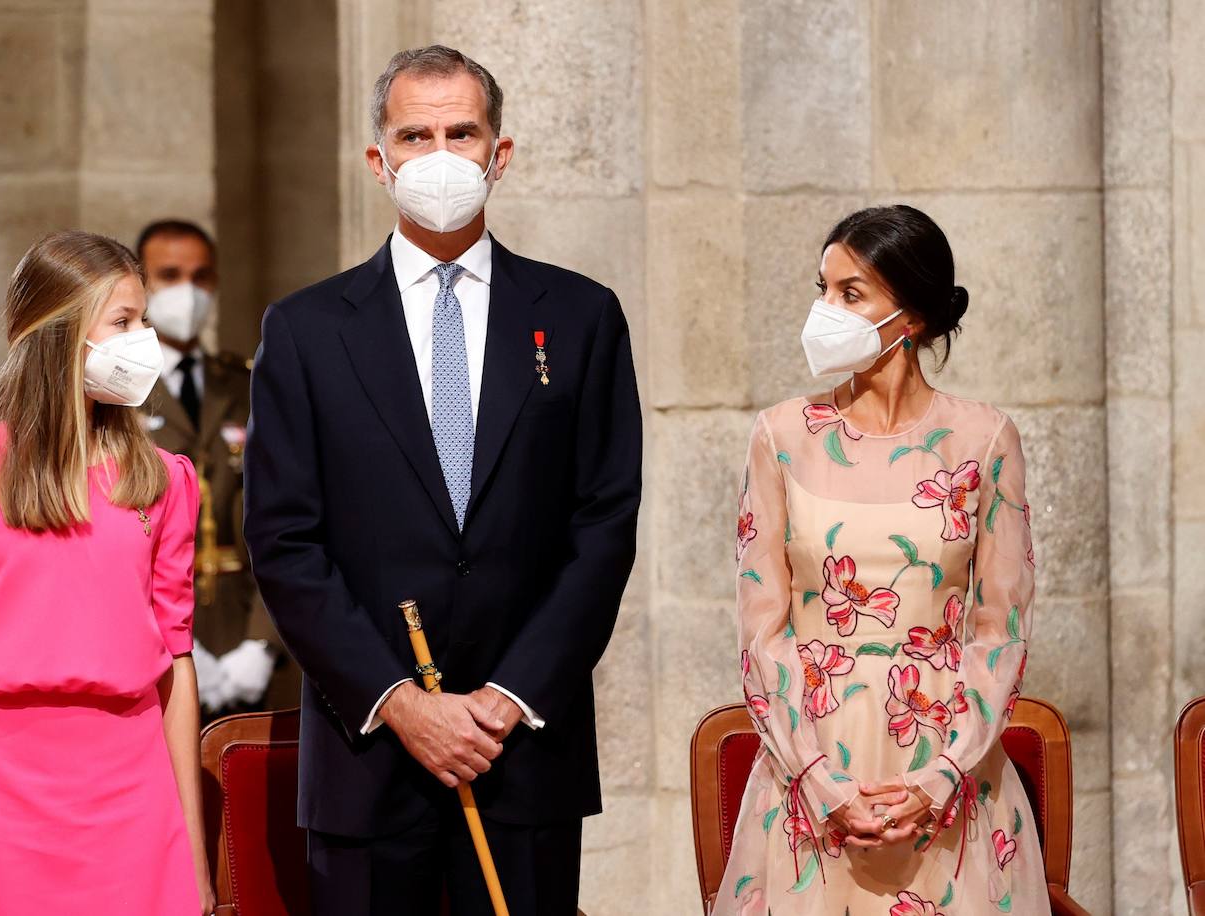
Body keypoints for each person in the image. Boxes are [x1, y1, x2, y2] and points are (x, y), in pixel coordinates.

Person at [243, 45, 642, 916]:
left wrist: (509, 695)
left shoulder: (580, 317)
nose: (439, 156)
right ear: (378, 162)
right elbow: (282, 540)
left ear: (499, 154)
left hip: (523, 753)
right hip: (369, 758)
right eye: (414, 136)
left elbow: (603, 526)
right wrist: (397, 701)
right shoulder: (307, 331)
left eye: (461, 133)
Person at [715, 205, 1048, 915]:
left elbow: (1002, 629)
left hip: (948, 771)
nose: (823, 311)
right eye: (822, 289)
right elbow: (761, 632)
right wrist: (819, 783)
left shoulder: (985, 439)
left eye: (850, 293)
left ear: (914, 317)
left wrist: (943, 777)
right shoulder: (779, 437)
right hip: (809, 769)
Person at [0, 231, 214, 915]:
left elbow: (175, 669)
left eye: (144, 321)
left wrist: (194, 848)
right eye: (123, 322)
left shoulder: (164, 482)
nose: (144, 341)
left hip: (132, 798)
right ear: (59, 334)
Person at [134, 219, 297, 716]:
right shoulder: (118, 389)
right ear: (139, 284)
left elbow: (287, 518)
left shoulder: (248, 384)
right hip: (148, 633)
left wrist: (263, 644)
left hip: (241, 622)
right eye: (169, 275)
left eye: (201, 277)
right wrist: (164, 642)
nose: (188, 290)